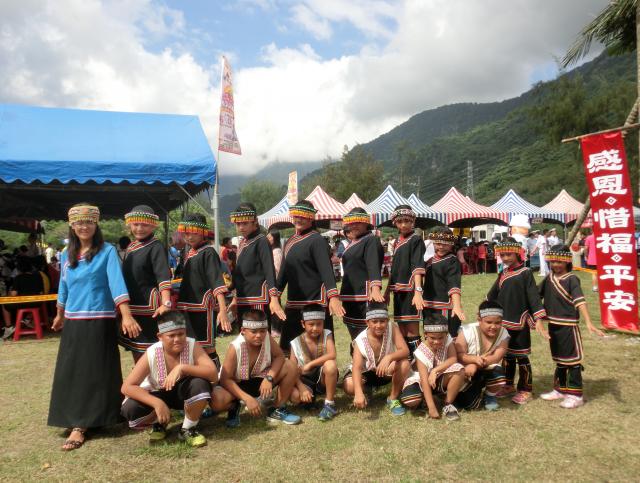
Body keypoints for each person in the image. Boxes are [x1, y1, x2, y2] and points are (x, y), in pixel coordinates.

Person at [48, 203, 140, 451]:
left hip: (99, 319)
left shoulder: (106, 251)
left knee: (96, 371)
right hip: (73, 321)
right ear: (72, 225)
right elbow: (63, 287)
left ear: (96, 224)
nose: (84, 226)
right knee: (73, 371)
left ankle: (85, 424)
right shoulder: (66, 254)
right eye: (79, 222)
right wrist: (59, 314)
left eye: (88, 222)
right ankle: (77, 419)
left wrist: (126, 316)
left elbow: (116, 284)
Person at [121, 311, 216, 447]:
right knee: (130, 408)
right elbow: (127, 387)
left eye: (181, 334)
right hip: (158, 394)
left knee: (200, 384)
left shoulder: (192, 345)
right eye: (171, 335)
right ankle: (159, 423)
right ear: (160, 337)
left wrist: (182, 368)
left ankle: (188, 428)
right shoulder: (152, 353)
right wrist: (157, 403)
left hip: (184, 394)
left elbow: (213, 373)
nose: (177, 339)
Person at [537, 245, 604, 409]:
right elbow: (536, 295)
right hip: (553, 325)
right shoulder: (549, 278)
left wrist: (588, 322)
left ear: (567, 261)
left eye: (559, 262)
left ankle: (575, 395)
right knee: (560, 360)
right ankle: (560, 389)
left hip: (568, 325)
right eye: (553, 261)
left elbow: (579, 301)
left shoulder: (572, 279)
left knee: (572, 361)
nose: (555, 265)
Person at [275, 200, 344, 353]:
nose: (298, 219)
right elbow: (284, 272)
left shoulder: (317, 240)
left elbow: (326, 270)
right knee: (288, 349)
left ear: (311, 218)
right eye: (296, 216)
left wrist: (333, 296)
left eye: (303, 216)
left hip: (315, 302)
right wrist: (275, 296)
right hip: (294, 302)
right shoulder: (289, 241)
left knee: (319, 349)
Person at [213, 310, 301, 427]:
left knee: (290, 366)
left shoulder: (266, 337)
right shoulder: (235, 347)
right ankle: (234, 406)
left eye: (262, 331)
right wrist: (246, 398)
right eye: (253, 332)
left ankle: (277, 409)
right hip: (237, 385)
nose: (259, 335)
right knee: (217, 401)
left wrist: (269, 378)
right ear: (243, 331)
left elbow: (280, 356)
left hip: (260, 379)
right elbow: (225, 379)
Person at [487, 238, 547, 405]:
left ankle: (525, 389)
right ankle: (508, 385)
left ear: (517, 253)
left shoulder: (525, 272)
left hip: (520, 322)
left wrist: (539, 319)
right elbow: (492, 294)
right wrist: (484, 310)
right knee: (507, 356)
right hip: (503, 322)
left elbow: (533, 297)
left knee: (521, 357)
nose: (505, 258)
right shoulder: (503, 273)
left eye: (509, 254)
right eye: (502, 255)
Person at [176, 213, 231, 369]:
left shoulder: (208, 252)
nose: (189, 236)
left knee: (207, 347)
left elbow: (216, 281)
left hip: (202, 309)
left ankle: (216, 376)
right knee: (191, 347)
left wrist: (222, 310)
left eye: (194, 232)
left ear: (203, 232)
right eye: (186, 233)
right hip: (188, 308)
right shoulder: (191, 252)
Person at [119, 206, 173, 361]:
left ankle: (158, 377)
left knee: (152, 351)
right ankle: (140, 375)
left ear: (153, 225)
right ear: (130, 225)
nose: (139, 228)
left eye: (144, 225)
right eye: (135, 224)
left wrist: (166, 303)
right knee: (136, 348)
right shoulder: (131, 247)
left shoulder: (156, 246)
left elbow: (163, 277)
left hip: (150, 309)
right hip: (132, 307)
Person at [343, 305, 410, 416]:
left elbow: (405, 351)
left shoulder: (392, 327)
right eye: (374, 322)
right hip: (365, 374)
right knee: (349, 385)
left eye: (382, 321)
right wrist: (358, 393)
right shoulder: (360, 340)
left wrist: (388, 357)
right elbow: (357, 368)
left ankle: (392, 398)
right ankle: (365, 392)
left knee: (404, 364)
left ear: (387, 320)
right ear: (367, 322)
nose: (378, 325)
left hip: (385, 371)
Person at [399, 312, 466, 420]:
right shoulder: (420, 352)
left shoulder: (448, 339)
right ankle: (426, 401)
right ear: (425, 334)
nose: (437, 341)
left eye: (441, 338)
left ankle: (447, 404)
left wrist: (435, 371)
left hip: (437, 377)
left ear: (446, 334)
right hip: (420, 382)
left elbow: (453, 359)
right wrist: (432, 408)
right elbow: (424, 381)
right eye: (432, 338)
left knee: (459, 370)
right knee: (410, 399)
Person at [228, 203, 285, 326]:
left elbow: (269, 271)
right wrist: (234, 299)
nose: (241, 227)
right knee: (245, 334)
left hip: (258, 298)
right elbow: (240, 275)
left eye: (245, 223)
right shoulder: (243, 243)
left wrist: (274, 298)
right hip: (243, 298)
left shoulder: (261, 241)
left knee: (258, 333)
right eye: (238, 224)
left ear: (255, 222)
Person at [383, 205, 425, 357]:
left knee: (412, 330)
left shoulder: (415, 240)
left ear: (413, 221)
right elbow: (394, 269)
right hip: (398, 291)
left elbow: (417, 266)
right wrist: (387, 291)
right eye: (400, 222)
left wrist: (418, 291)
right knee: (401, 329)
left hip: (411, 290)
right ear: (395, 223)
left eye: (407, 221)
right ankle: (406, 359)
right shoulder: (396, 242)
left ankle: (419, 361)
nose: (404, 225)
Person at [454, 300, 510, 411]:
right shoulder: (466, 331)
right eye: (489, 322)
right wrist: (473, 359)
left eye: (498, 323)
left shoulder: (504, 334)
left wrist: (475, 364)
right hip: (464, 371)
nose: (493, 326)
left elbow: (496, 357)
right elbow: (458, 355)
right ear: (479, 320)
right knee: (470, 406)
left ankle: (490, 395)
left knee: (498, 372)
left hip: (482, 368)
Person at [339, 208, 385, 344]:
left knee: (366, 334)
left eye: (358, 222)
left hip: (363, 295)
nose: (354, 226)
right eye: (351, 223)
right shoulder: (354, 242)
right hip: (350, 295)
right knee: (354, 334)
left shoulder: (371, 240)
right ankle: (356, 356)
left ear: (366, 223)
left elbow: (373, 264)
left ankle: (369, 357)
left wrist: (375, 287)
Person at [289, 305, 338, 421]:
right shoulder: (295, 343)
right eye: (311, 324)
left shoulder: (327, 334)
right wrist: (301, 388)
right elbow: (292, 369)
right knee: (295, 396)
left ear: (323, 323)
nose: (315, 328)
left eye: (319, 324)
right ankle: (308, 400)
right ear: (303, 324)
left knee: (330, 365)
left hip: (323, 377)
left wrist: (310, 364)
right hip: (305, 380)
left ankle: (329, 404)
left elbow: (332, 354)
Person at [423, 227, 465, 338]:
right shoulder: (429, 259)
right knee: (430, 335)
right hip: (428, 304)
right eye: (438, 243)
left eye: (445, 244)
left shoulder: (452, 261)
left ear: (451, 244)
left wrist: (457, 306)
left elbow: (454, 284)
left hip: (445, 306)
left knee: (447, 336)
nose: (441, 247)